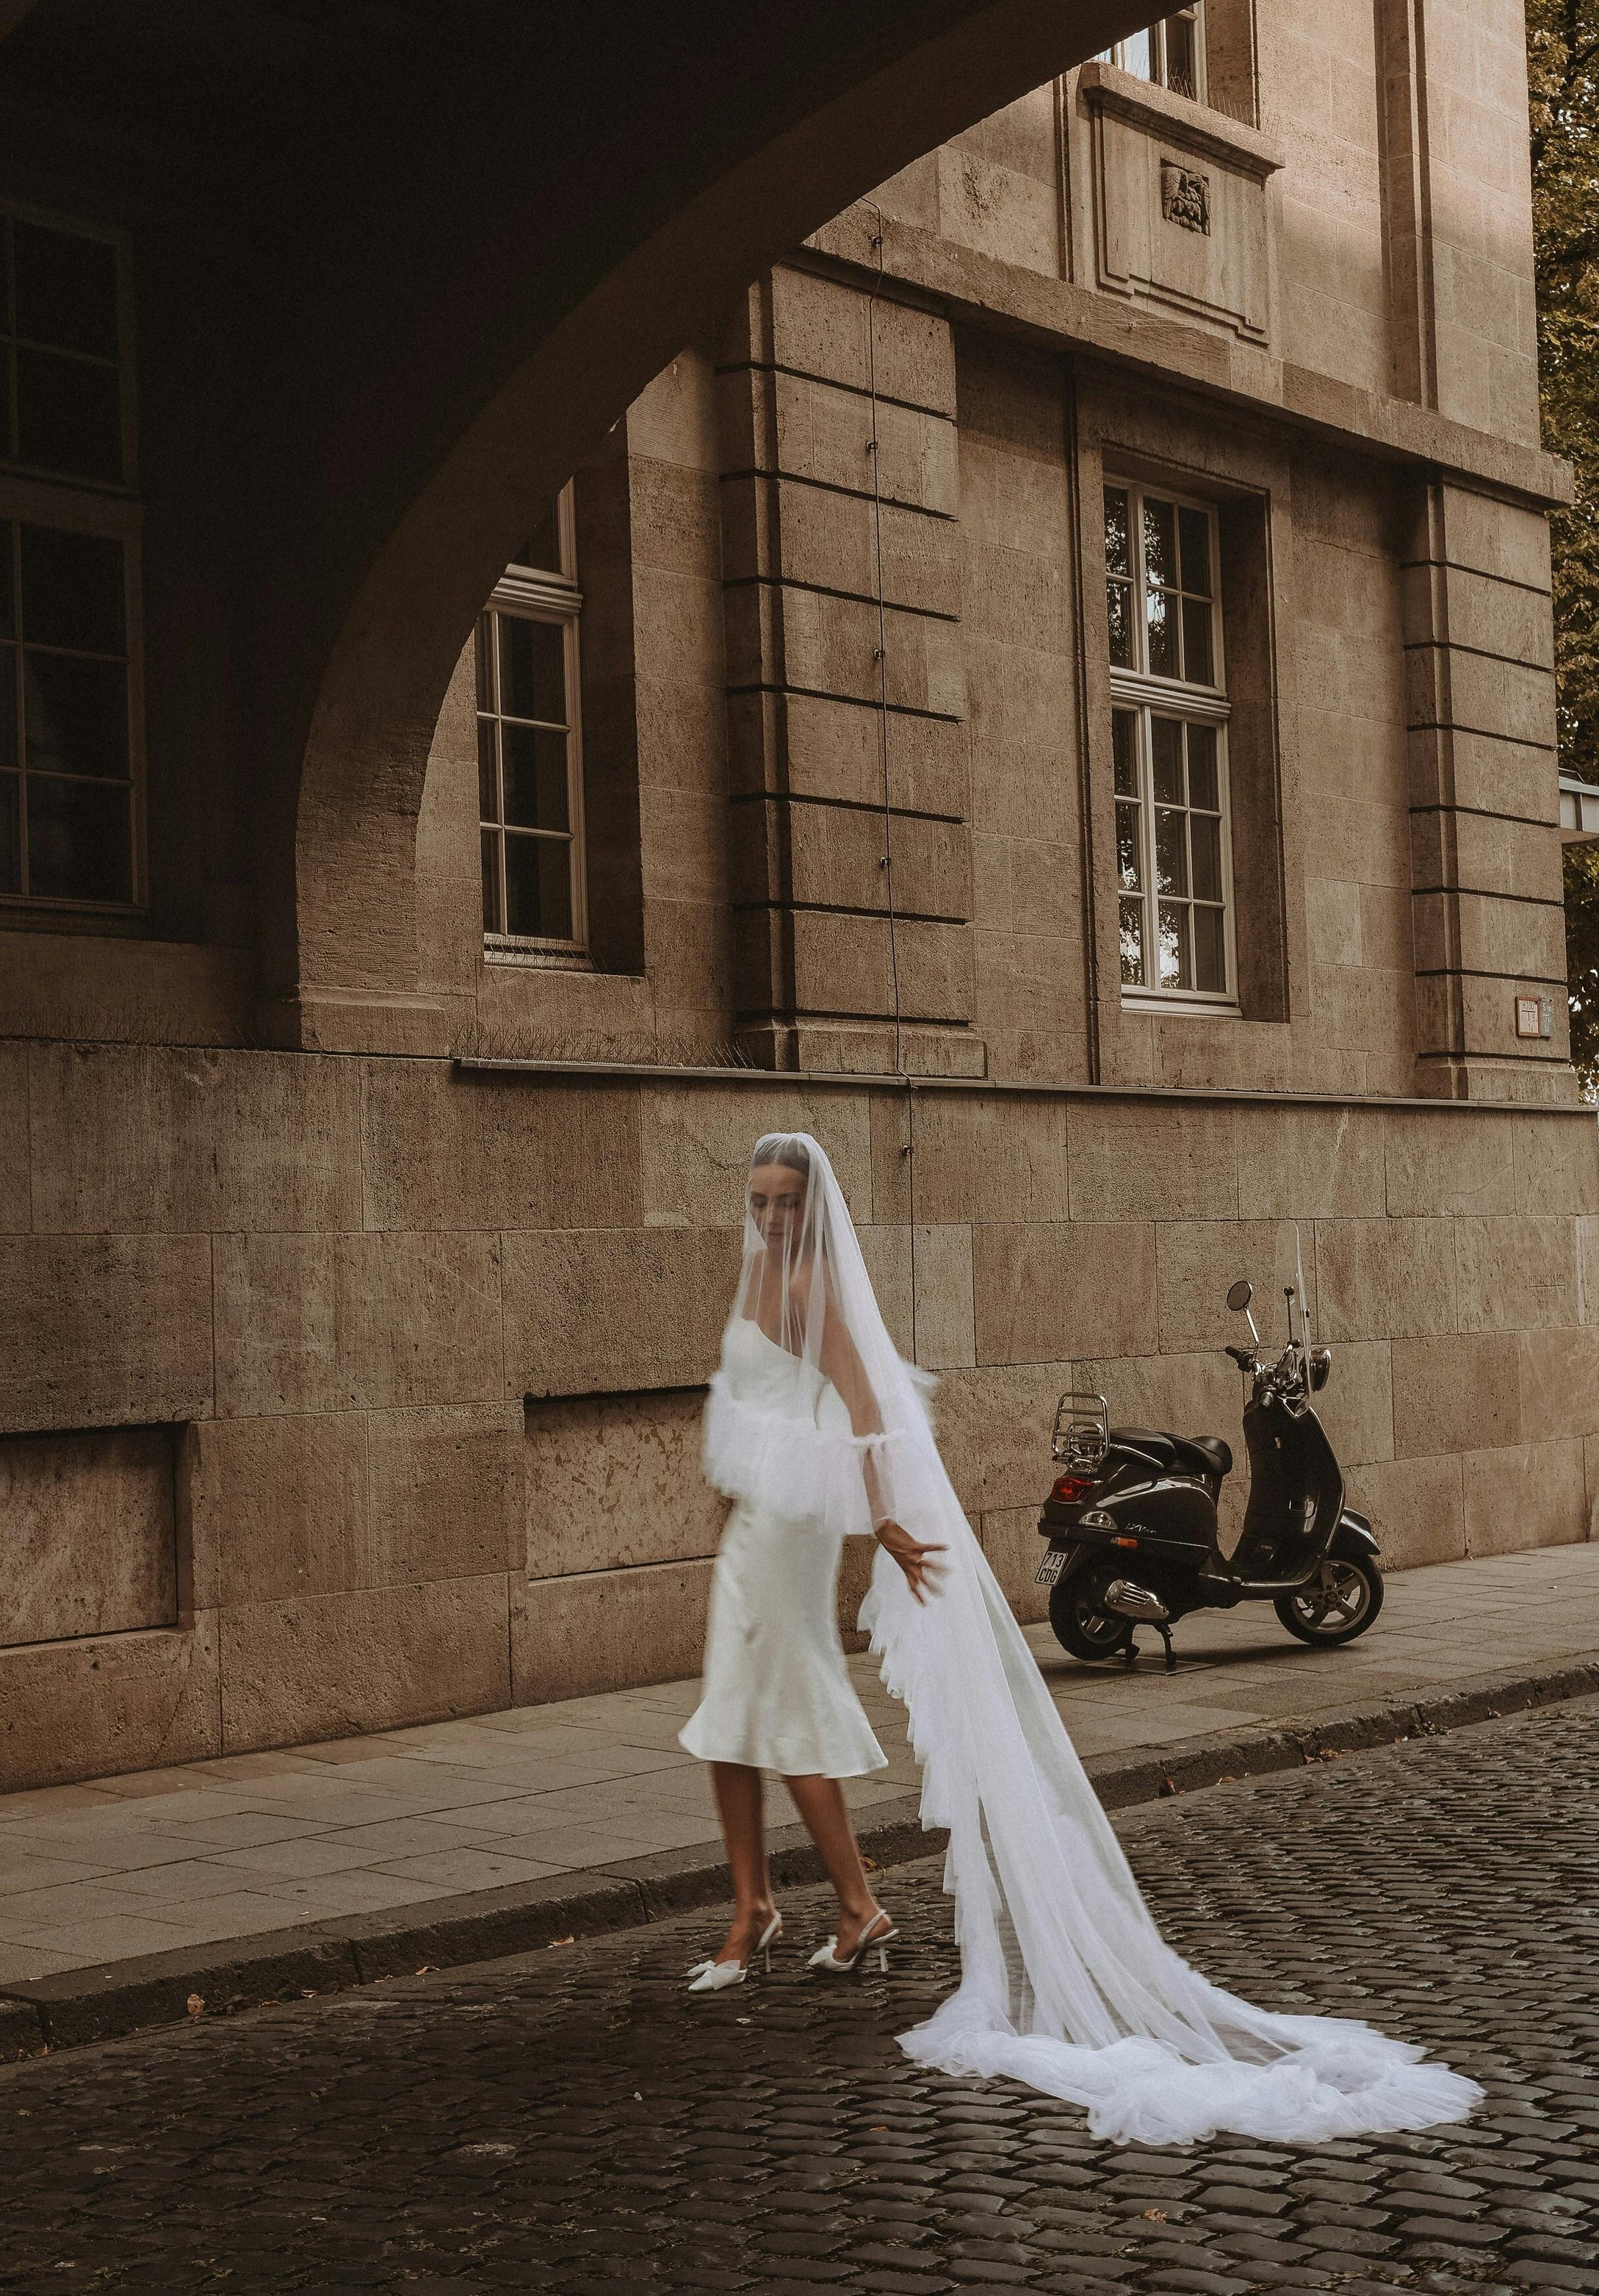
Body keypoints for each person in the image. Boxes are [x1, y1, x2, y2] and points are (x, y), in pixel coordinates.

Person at [679, 1131, 1484, 2148]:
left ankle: (840, 1904)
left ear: (814, 1206)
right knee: (730, 1722)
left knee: (779, 1717)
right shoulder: (759, 1286)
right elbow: (746, 1414)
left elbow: (875, 1414)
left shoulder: (821, 1299)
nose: (768, 1217)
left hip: (792, 1537)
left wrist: (884, 1520)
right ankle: (771, 1905)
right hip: (750, 1528)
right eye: (757, 1200)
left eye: (784, 1201)